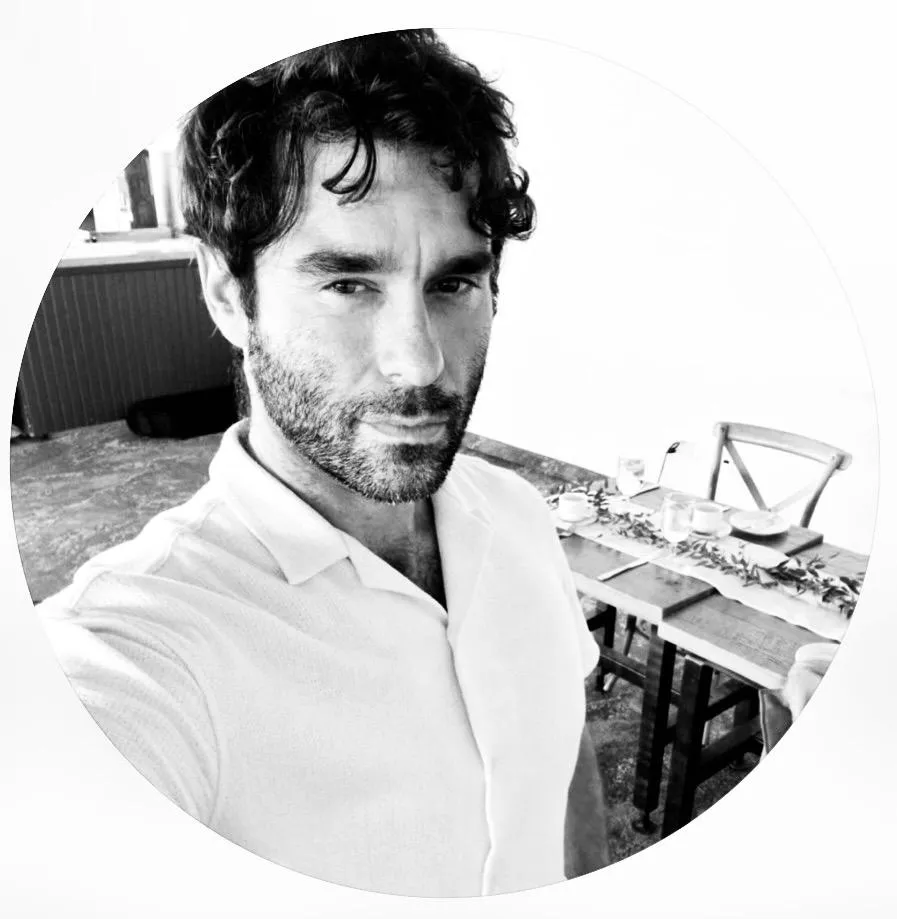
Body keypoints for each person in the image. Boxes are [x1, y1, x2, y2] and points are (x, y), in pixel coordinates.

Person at [38, 30, 608, 897]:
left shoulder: (520, 512)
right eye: (347, 284)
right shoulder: (142, 646)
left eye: (453, 283)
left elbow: (564, 758)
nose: (418, 362)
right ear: (229, 294)